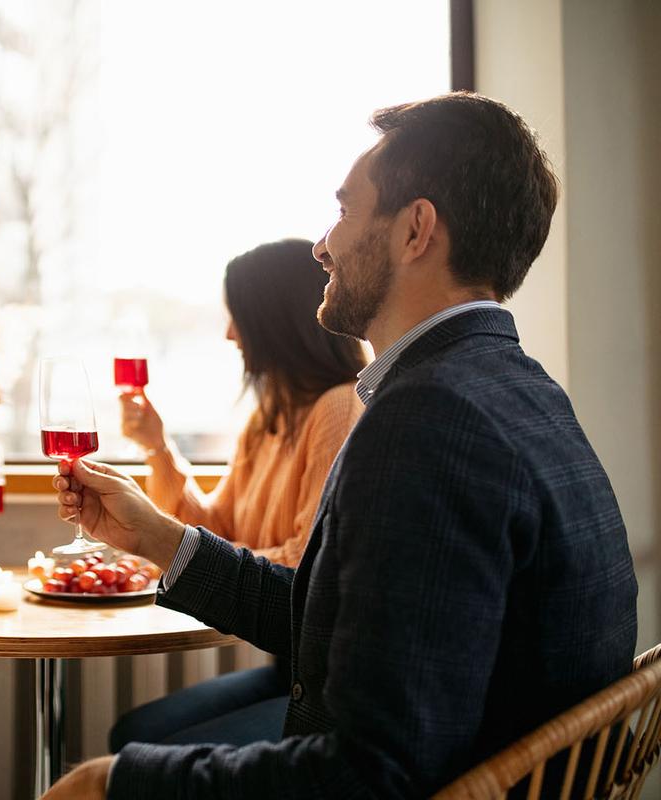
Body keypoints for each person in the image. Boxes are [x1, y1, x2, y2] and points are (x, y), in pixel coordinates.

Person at [44, 92, 638, 799]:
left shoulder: (427, 420)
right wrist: (159, 537)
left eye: (345, 210)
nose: (323, 244)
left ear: (416, 230)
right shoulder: (519, 388)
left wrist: (118, 784)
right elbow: (334, 619)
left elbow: (369, 775)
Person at [110, 239, 365, 751]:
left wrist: (173, 547)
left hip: (326, 689)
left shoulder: (340, 408)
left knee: (149, 753)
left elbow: (301, 567)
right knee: (132, 733)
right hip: (285, 669)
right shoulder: (268, 418)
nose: (229, 334)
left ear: (277, 321)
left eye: (238, 317)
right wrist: (159, 449)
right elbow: (218, 530)